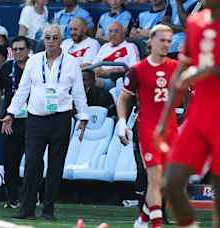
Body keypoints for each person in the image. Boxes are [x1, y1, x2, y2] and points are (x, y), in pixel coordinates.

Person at [1, 24, 89, 221]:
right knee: (32, 163)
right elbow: (23, 89)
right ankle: (27, 209)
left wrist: (83, 117)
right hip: (35, 118)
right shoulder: (33, 61)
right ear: (43, 40)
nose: (51, 41)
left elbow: (78, 92)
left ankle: (48, 208)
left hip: (61, 118)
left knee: (56, 165)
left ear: (61, 39)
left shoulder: (72, 62)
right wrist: (11, 113)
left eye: (55, 38)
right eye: (47, 37)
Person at [155, 0, 220, 226]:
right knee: (171, 185)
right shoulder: (195, 23)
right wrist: (164, 120)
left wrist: (211, 70)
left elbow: (203, 69)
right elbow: (181, 74)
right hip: (198, 117)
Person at [117, 24, 178, 228]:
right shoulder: (137, 70)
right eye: (162, 40)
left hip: (171, 129)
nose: (166, 45)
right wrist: (122, 123)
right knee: (154, 177)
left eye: (169, 41)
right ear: (151, 41)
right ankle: (156, 224)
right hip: (148, 128)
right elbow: (123, 98)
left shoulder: (177, 68)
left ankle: (143, 219)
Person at [0, 36, 31, 209]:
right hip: (10, 120)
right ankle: (12, 197)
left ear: (29, 50)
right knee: (10, 160)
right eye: (14, 49)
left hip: (32, 119)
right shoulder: (7, 67)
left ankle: (33, 195)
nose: (18, 52)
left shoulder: (36, 66)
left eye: (21, 49)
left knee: (33, 160)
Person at [92, 22, 140, 91]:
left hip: (116, 79)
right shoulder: (104, 46)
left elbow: (135, 68)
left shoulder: (130, 46)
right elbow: (94, 65)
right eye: (110, 31)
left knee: (91, 83)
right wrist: (98, 70)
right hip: (99, 76)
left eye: (116, 31)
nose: (113, 34)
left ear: (123, 34)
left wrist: (112, 71)